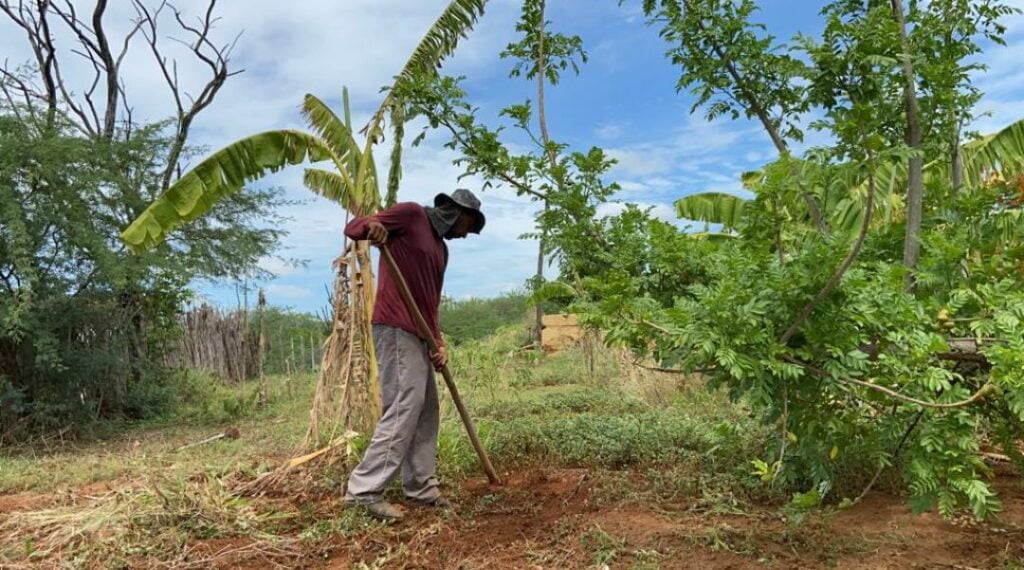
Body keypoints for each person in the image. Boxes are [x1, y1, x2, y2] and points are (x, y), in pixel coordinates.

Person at [342, 189, 485, 521]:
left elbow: (430, 302)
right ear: (456, 212)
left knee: (427, 410)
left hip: (420, 335)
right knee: (405, 405)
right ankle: (363, 491)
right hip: (395, 327)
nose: (464, 234)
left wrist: (438, 342)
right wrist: (373, 228)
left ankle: (420, 487)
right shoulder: (410, 215)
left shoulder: (441, 249)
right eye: (468, 225)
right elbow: (354, 227)